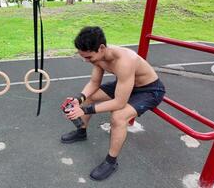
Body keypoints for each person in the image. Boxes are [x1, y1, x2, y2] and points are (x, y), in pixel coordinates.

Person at [61, 26, 165, 181]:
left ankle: (111, 162)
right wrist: (79, 99)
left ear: (101, 48)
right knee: (90, 97)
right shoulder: (98, 57)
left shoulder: (125, 61)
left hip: (148, 90)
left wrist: (85, 110)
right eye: (83, 57)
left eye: (88, 57)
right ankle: (81, 132)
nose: (85, 60)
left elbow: (119, 102)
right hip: (126, 84)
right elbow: (94, 83)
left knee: (118, 117)